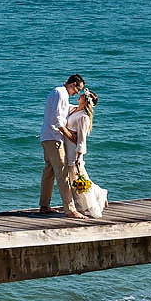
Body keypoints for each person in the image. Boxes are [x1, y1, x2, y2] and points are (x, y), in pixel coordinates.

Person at [39, 73, 91, 220]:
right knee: (62, 173)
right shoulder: (61, 93)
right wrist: (70, 136)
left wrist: (82, 107)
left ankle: (44, 205)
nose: (78, 93)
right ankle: (70, 209)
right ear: (73, 84)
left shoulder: (59, 93)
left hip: (47, 137)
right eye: (78, 89)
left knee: (49, 171)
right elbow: (57, 120)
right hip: (54, 138)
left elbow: (64, 111)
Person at [63, 90, 108, 218]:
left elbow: (82, 138)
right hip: (67, 148)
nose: (80, 95)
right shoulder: (75, 110)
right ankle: (99, 193)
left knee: (76, 179)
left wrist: (78, 156)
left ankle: (81, 207)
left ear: (86, 100)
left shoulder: (83, 117)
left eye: (82, 95)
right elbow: (64, 106)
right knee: (77, 178)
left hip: (74, 151)